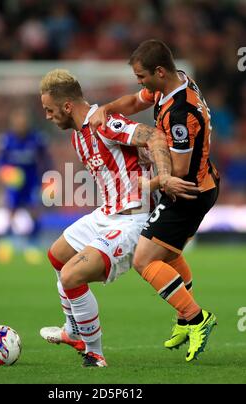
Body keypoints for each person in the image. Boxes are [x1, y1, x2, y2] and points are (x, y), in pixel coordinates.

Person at [38, 69, 200, 368]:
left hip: (131, 221)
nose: (47, 116)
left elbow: (153, 135)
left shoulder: (102, 123)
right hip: (107, 214)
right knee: (57, 255)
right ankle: (73, 330)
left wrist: (162, 176)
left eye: (49, 109)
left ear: (67, 106)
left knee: (71, 275)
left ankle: (94, 352)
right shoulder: (78, 136)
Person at [89, 39, 220, 362]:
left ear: (159, 72)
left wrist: (147, 179)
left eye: (142, 76)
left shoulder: (180, 114)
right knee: (169, 253)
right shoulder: (175, 83)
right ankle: (183, 319)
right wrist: (107, 108)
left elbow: (179, 170)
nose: (139, 82)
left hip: (187, 192)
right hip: (197, 185)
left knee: (143, 260)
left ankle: (197, 318)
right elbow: (134, 101)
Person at [0, 107, 52, 264]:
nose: (20, 124)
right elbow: (0, 162)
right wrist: (5, 172)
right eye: (17, 122)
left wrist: (49, 179)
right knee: (11, 212)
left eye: (23, 121)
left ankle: (32, 245)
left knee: (35, 212)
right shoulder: (6, 140)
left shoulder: (37, 139)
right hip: (14, 183)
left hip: (32, 181)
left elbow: (46, 160)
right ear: (13, 123)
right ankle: (6, 243)